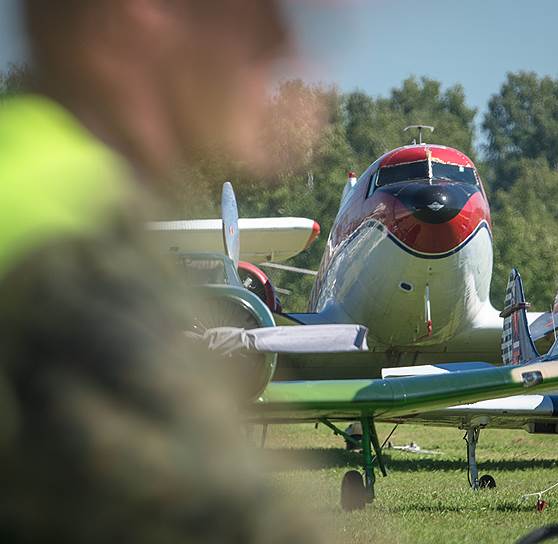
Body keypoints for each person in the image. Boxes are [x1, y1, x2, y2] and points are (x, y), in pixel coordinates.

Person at [0, 1, 322, 542]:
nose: (284, 43)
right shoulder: (73, 256)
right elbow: (214, 512)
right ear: (132, 17)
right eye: (253, 12)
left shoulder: (34, 171)